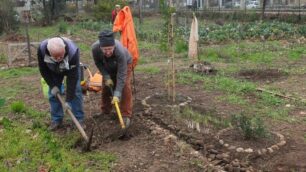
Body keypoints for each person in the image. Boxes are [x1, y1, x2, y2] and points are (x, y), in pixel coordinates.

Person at [37, 37, 84, 131]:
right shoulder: (42, 49)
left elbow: (72, 79)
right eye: (55, 57)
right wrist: (52, 85)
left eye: (61, 56)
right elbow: (43, 70)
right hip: (53, 70)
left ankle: (79, 119)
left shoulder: (72, 51)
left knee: (76, 91)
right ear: (49, 53)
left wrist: (68, 100)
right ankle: (57, 119)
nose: (58, 59)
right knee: (53, 94)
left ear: (64, 49)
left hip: (71, 69)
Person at [91, 30, 133, 128]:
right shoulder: (95, 49)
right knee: (106, 87)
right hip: (108, 66)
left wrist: (117, 93)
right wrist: (106, 76)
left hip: (125, 64)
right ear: (100, 47)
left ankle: (126, 115)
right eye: (105, 49)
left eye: (110, 49)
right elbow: (98, 63)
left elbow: (122, 74)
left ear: (114, 46)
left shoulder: (120, 51)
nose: (108, 52)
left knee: (125, 86)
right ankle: (105, 111)